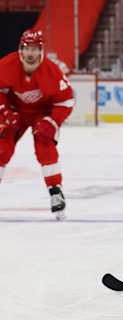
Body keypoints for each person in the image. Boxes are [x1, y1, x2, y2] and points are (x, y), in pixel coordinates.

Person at [0, 30, 73, 220]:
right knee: (2, 147)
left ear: (42, 51)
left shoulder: (52, 72)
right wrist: (4, 111)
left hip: (43, 113)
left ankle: (55, 191)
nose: (30, 53)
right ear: (20, 50)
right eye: (27, 48)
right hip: (15, 111)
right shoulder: (6, 65)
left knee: (44, 145)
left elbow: (66, 102)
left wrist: (52, 121)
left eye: (35, 49)